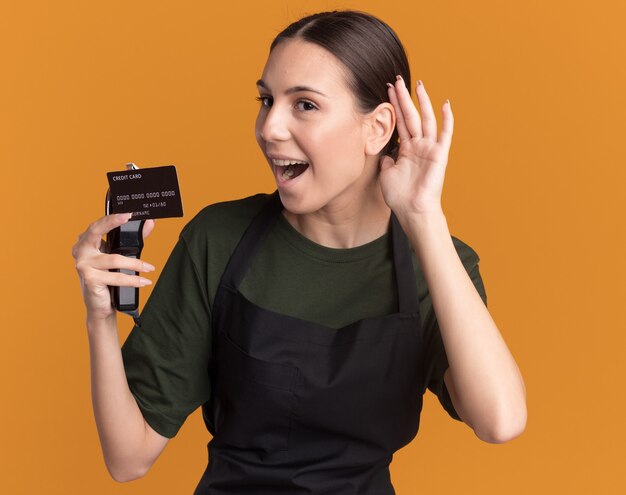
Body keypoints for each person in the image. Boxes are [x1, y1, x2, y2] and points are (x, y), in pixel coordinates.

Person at [72, 10, 527, 494]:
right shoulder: (217, 238)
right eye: (266, 100)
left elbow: (499, 421)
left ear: (378, 128)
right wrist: (99, 318)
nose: (269, 128)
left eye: (305, 105)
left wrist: (424, 218)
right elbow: (128, 457)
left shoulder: (436, 264)